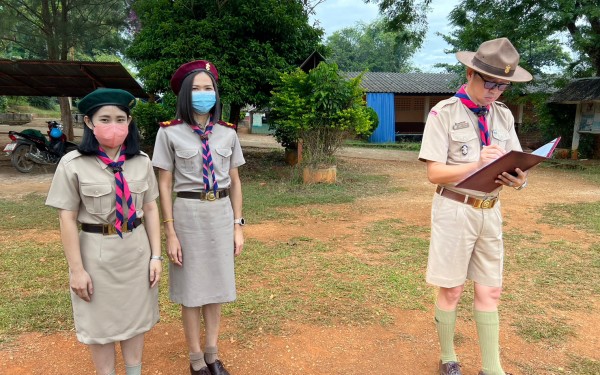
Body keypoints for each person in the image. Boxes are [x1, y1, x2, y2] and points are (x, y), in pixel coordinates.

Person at [418, 38, 533, 375]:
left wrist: (520, 179)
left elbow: (515, 161)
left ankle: (492, 368)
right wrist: (476, 164)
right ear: (471, 72)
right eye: (490, 82)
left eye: (503, 85)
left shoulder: (503, 116)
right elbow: (434, 173)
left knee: (491, 288)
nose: (496, 91)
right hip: (455, 208)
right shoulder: (444, 113)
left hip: (490, 210)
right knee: (452, 289)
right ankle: (449, 357)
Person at [45, 88, 162, 375]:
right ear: (89, 123)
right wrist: (76, 270)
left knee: (136, 322)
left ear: (129, 122)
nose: (114, 127)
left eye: (120, 119)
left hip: (136, 252)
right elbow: (66, 218)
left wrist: (156, 256)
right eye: (105, 119)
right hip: (95, 256)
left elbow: (150, 209)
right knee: (100, 327)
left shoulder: (141, 162)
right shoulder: (73, 164)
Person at [152, 60, 245, 375]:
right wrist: (171, 232)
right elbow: (164, 184)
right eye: (196, 89)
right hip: (187, 215)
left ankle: (211, 354)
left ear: (216, 94)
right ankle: (194, 359)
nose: (203, 94)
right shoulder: (169, 134)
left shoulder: (227, 134)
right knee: (191, 292)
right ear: (184, 95)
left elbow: (235, 181)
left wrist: (238, 225)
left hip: (220, 213)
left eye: (209, 88)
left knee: (216, 288)